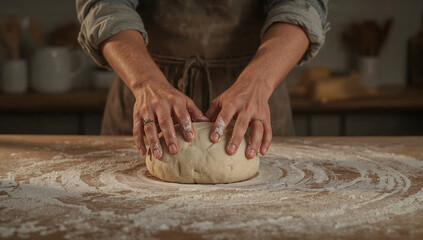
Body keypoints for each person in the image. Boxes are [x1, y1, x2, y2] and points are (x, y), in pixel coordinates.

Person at [76, 0, 328, 160]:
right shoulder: (145, 83)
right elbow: (105, 5)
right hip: (145, 88)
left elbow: (302, 5)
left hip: (257, 91)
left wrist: (258, 84)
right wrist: (145, 82)